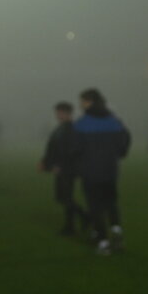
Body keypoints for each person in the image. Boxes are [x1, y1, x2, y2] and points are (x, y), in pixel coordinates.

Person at [75, 89, 131, 255]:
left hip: (90, 170)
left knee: (95, 206)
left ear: (89, 101)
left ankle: (103, 241)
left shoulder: (82, 123)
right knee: (111, 202)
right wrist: (120, 153)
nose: (80, 105)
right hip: (110, 169)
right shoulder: (113, 120)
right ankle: (116, 231)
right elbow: (125, 138)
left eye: (82, 101)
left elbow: (76, 148)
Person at [39, 102, 89, 235]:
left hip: (67, 169)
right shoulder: (60, 128)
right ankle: (79, 220)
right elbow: (52, 148)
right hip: (61, 168)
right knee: (62, 197)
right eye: (57, 112)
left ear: (67, 113)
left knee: (66, 197)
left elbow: (71, 151)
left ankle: (73, 224)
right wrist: (45, 162)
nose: (57, 115)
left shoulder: (71, 129)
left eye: (59, 112)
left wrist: (58, 165)